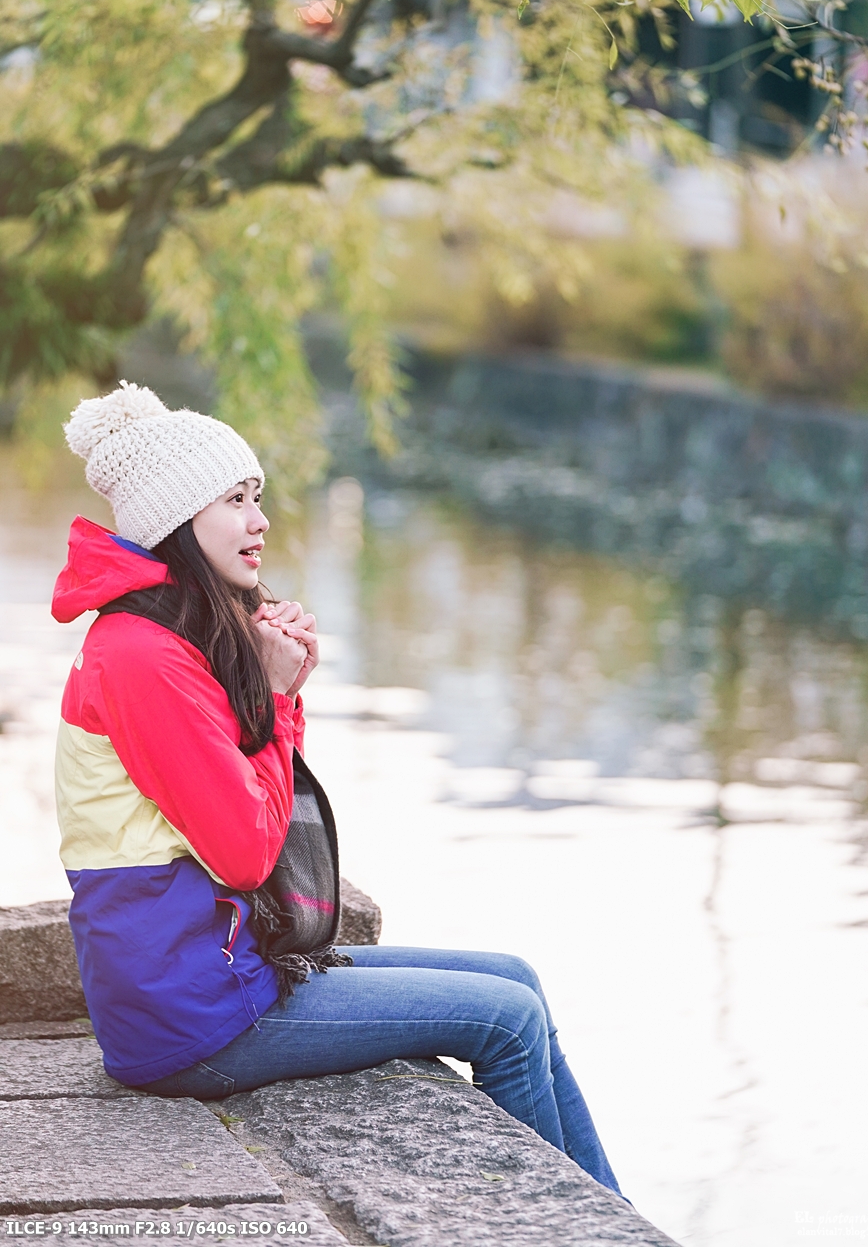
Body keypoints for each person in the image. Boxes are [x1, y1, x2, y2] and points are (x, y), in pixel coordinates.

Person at [52, 381, 623, 1196]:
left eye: (257, 497)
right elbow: (248, 853)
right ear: (177, 517)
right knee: (509, 1020)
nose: (260, 521)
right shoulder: (141, 656)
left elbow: (256, 805)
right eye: (235, 500)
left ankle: (611, 1217)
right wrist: (275, 698)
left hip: (223, 968)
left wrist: (280, 694)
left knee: (516, 976)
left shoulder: (168, 635)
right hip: (192, 1016)